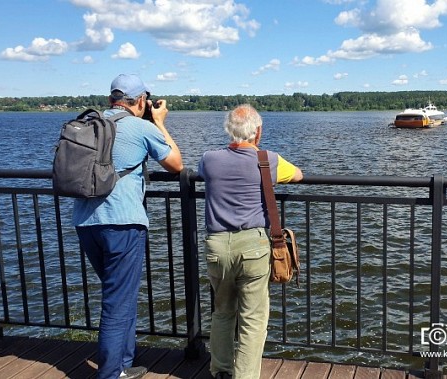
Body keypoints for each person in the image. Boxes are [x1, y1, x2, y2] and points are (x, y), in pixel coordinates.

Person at [73, 74, 183, 379]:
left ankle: (122, 364)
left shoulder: (88, 123)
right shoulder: (140, 127)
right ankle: (109, 374)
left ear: (111, 100)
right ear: (142, 101)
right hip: (122, 223)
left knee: (119, 293)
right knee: (117, 301)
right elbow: (176, 164)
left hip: (85, 222)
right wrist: (159, 122)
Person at [198, 104, 303, 379]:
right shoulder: (268, 160)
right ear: (258, 131)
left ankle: (220, 370)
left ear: (228, 130)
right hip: (254, 247)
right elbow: (298, 174)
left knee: (222, 312)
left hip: (217, 246)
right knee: (253, 319)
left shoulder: (209, 159)